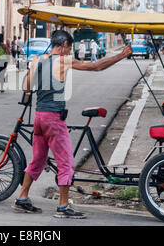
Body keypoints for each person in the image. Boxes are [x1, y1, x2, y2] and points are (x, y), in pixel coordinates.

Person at [12, 30, 133, 219]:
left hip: (39, 117)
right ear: (62, 46)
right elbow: (97, 67)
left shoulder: (37, 60)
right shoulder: (63, 60)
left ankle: (22, 198)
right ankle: (63, 206)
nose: (69, 52)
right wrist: (121, 55)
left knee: (37, 160)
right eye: (69, 48)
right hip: (53, 119)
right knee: (66, 162)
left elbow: (26, 88)